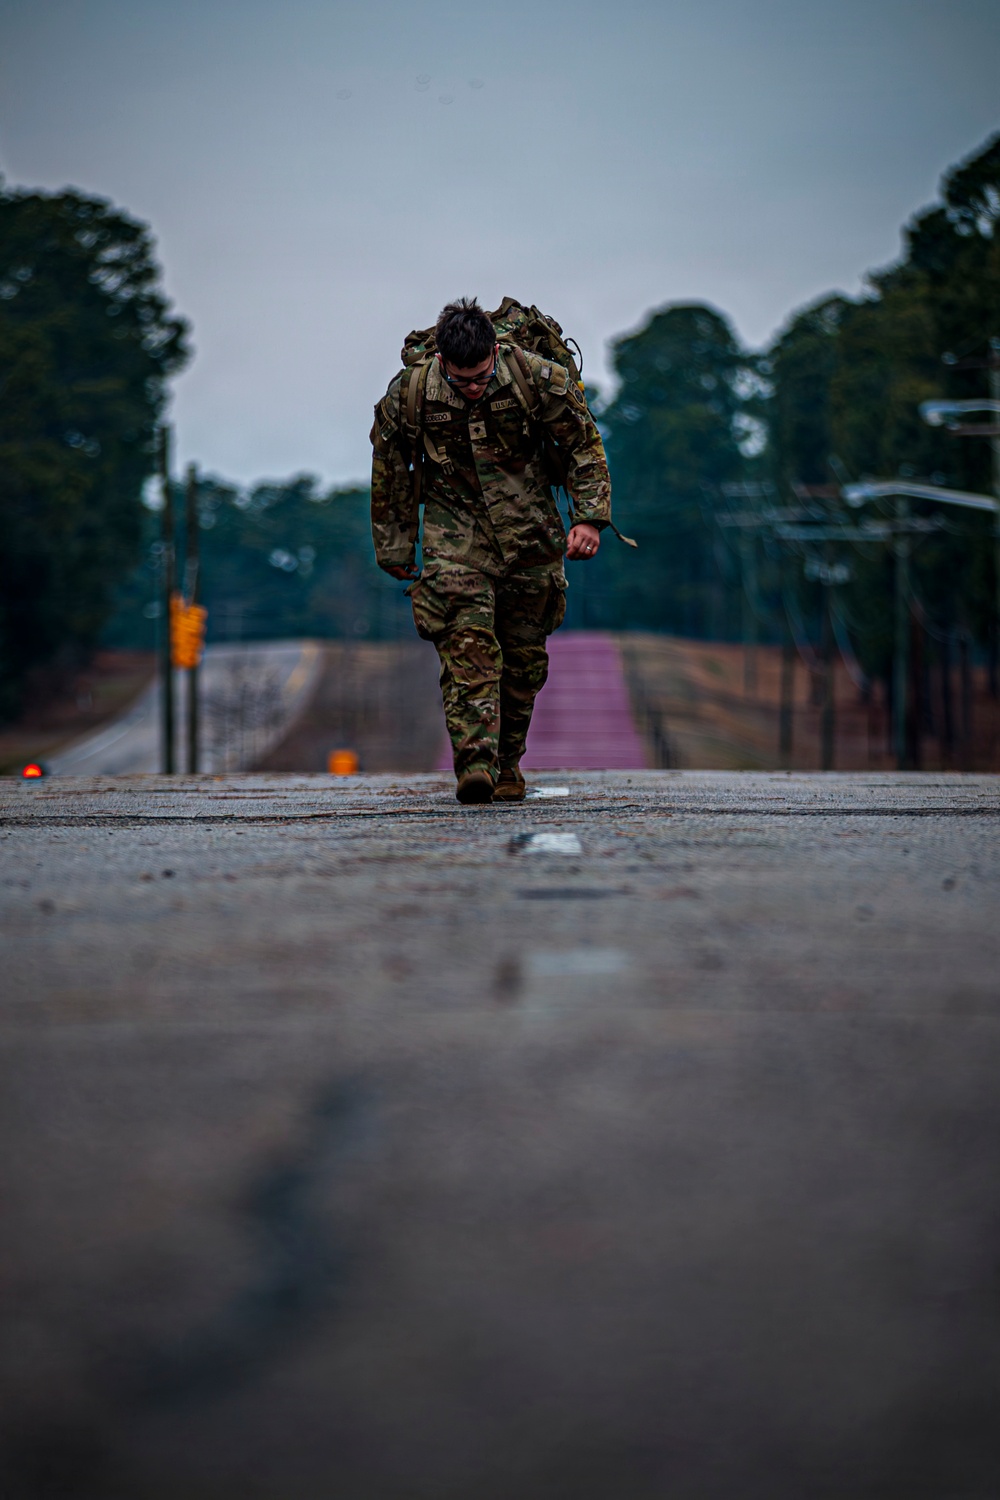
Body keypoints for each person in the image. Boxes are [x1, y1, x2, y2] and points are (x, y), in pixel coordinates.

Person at [370, 297, 612, 804]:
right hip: (453, 535)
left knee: (524, 661)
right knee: (469, 645)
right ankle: (474, 765)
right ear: (441, 363)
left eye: (481, 377)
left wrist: (588, 517)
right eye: (461, 381)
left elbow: (583, 445)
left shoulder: (537, 379)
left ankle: (506, 765)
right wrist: (394, 543)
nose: (473, 388)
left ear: (495, 352)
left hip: (531, 534)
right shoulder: (410, 393)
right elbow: (390, 467)